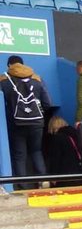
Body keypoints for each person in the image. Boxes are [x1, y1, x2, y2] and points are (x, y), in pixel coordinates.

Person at [2, 54, 51, 187]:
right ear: (23, 64)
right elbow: (47, 103)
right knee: (36, 151)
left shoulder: (4, 81)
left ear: (9, 66)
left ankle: (22, 185)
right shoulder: (37, 79)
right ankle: (43, 180)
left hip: (17, 123)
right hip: (37, 123)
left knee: (19, 154)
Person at [45, 114, 82, 182]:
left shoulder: (57, 138)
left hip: (65, 175)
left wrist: (53, 176)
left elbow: (55, 159)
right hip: (80, 171)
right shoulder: (75, 134)